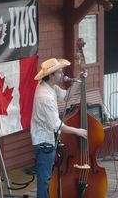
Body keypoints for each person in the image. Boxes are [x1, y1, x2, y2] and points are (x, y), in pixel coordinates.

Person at [31, 58, 87, 198]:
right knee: (44, 182)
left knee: (47, 179)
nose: (62, 74)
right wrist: (77, 131)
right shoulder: (44, 96)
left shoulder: (50, 86)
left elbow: (66, 96)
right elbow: (57, 125)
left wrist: (78, 79)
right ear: (51, 76)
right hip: (44, 143)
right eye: (59, 72)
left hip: (48, 140)